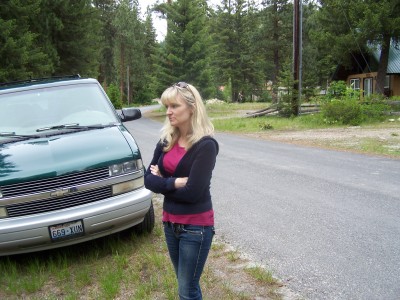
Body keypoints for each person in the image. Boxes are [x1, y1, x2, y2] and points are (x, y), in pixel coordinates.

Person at [144, 82, 218, 300]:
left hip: (196, 227)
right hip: (170, 223)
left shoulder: (206, 146)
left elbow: (194, 192)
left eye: (174, 106)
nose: (168, 112)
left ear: (192, 108)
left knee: (187, 290)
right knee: (186, 285)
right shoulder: (167, 140)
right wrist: (175, 182)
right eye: (167, 106)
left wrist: (163, 181)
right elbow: (147, 179)